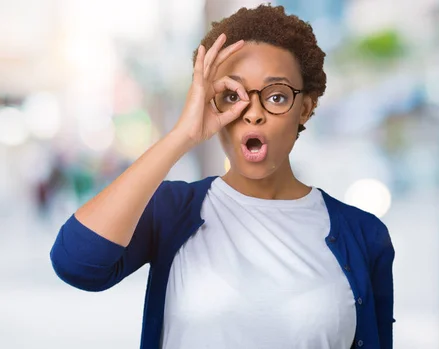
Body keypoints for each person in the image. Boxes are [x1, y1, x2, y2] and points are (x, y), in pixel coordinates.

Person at [50, 4, 395, 349]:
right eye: (232, 96)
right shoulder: (173, 210)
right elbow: (77, 263)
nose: (253, 114)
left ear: (305, 107)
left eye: (276, 96)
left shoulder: (365, 236)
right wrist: (181, 136)